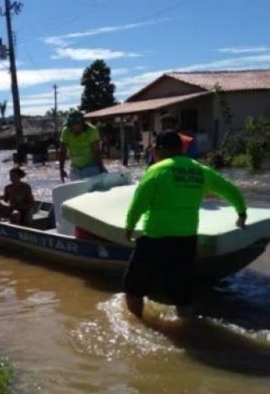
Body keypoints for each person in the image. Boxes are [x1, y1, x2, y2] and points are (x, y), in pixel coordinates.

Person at [124, 130, 247, 319]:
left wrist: (129, 227)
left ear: (159, 149)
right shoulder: (199, 170)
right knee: (182, 296)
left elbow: (138, 203)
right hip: (186, 241)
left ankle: (136, 327)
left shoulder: (157, 170)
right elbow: (230, 190)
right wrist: (241, 213)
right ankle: (189, 332)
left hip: (155, 238)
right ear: (181, 148)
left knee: (133, 289)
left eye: (154, 149)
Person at [59, 110, 106, 182]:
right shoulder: (66, 131)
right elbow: (62, 151)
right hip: (75, 168)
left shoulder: (92, 131)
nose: (70, 128)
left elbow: (97, 151)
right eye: (69, 126)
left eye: (72, 125)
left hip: (91, 167)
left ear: (80, 123)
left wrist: (101, 167)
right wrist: (61, 169)